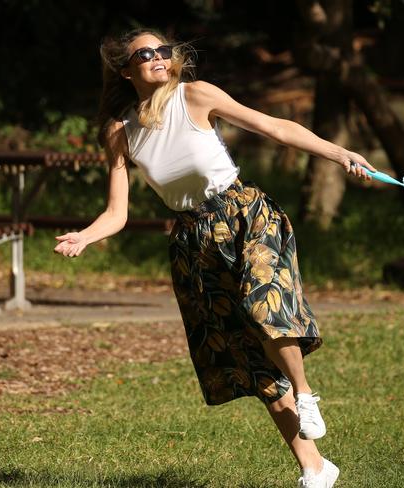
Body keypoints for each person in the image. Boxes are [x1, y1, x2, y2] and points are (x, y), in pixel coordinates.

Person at [54, 28, 375, 488]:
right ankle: (316, 468)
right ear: (126, 70)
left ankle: (306, 393)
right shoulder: (120, 133)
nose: (158, 58)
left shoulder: (196, 96)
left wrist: (338, 152)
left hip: (244, 214)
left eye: (163, 50)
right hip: (193, 241)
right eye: (145, 54)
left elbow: (275, 127)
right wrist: (86, 237)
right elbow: (116, 212)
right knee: (249, 356)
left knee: (266, 305)